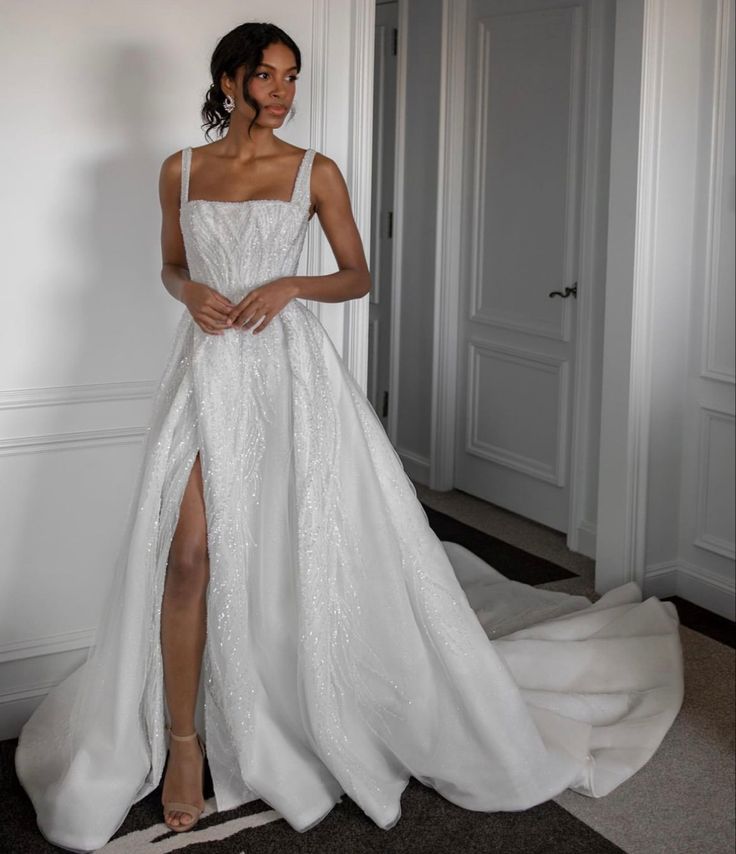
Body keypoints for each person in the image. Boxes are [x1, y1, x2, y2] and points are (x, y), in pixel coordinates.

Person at [14, 21, 685, 853]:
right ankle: (184, 744)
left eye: (292, 77)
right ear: (229, 81)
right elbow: (170, 264)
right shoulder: (179, 169)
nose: (283, 92)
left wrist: (291, 282)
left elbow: (357, 274)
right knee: (188, 555)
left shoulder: (315, 170)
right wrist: (188, 294)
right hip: (208, 372)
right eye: (266, 76)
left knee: (299, 547)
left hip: (290, 377)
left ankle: (301, 698)